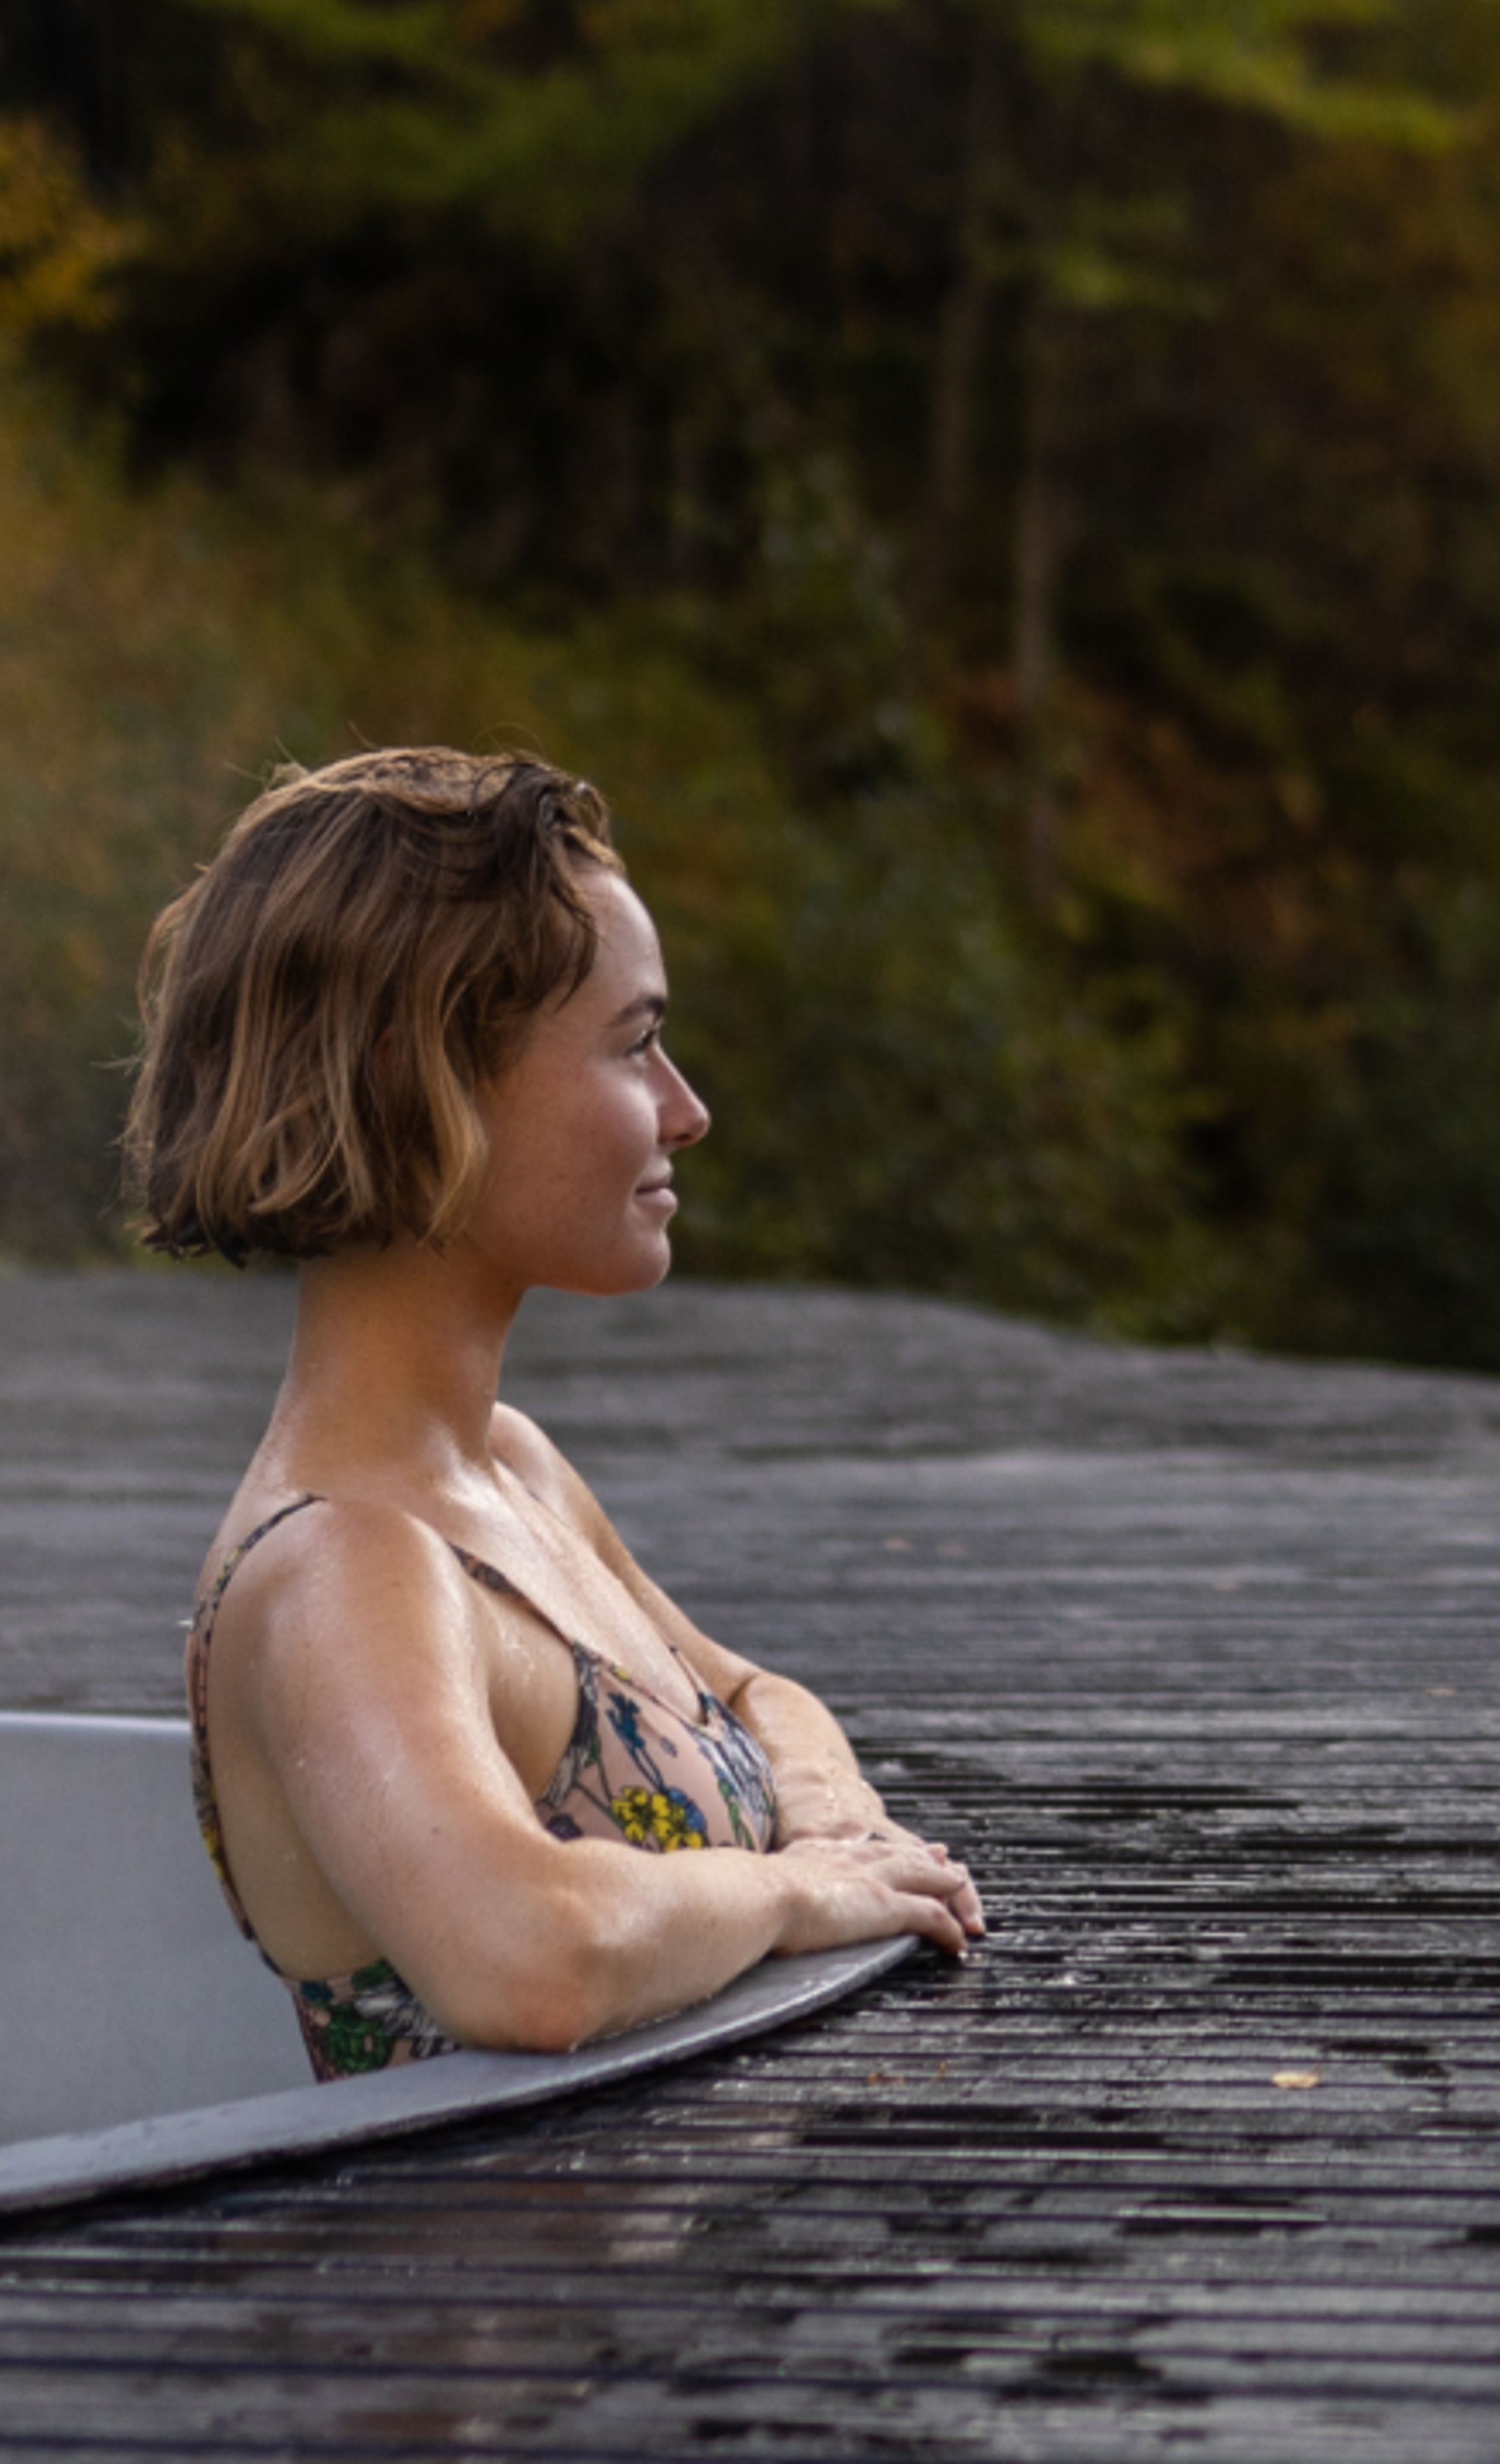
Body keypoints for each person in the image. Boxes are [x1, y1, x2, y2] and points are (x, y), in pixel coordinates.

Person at [126, 746, 985, 2082]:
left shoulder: (508, 1469)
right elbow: (526, 1958)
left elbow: (753, 1694)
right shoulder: (344, 1567)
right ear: (431, 1085)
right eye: (636, 1044)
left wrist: (830, 1822)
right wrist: (794, 1897)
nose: (688, 1111)